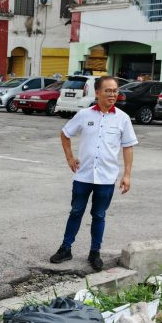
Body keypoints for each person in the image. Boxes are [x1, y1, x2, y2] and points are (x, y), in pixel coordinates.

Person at [50, 75, 136, 272]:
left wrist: (127, 175)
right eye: (108, 90)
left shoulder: (122, 118)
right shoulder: (84, 115)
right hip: (83, 176)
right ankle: (66, 248)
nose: (112, 94)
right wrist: (70, 158)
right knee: (76, 212)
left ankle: (94, 252)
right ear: (97, 93)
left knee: (99, 215)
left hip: (106, 177)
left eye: (115, 91)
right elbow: (65, 134)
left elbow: (128, 147)